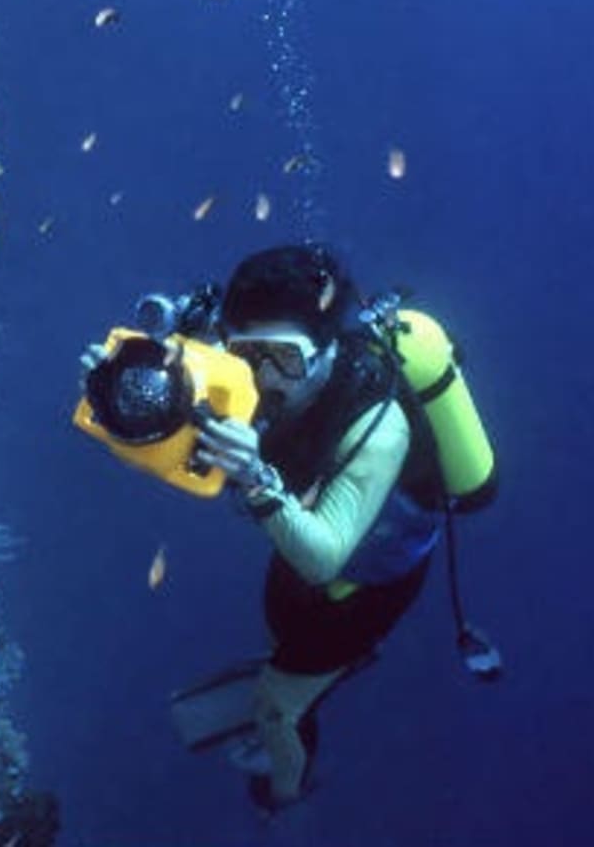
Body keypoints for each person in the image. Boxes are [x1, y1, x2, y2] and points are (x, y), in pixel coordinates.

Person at [188, 244, 445, 813]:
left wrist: (255, 475)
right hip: (302, 521)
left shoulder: (380, 425)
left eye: (284, 358)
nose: (262, 380)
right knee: (278, 625)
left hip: (379, 576)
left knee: (277, 703)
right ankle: (316, 672)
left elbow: (323, 558)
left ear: (329, 349)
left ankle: (284, 795)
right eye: (247, 355)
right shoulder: (258, 384)